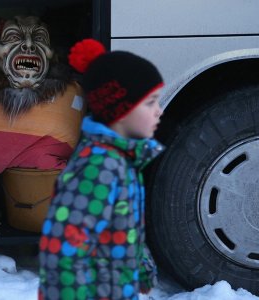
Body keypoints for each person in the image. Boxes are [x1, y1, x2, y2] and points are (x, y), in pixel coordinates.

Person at [38, 39, 165, 300]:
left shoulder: (123, 160)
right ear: (121, 109)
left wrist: (140, 267)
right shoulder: (98, 168)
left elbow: (124, 226)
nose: (159, 111)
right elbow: (63, 250)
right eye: (150, 102)